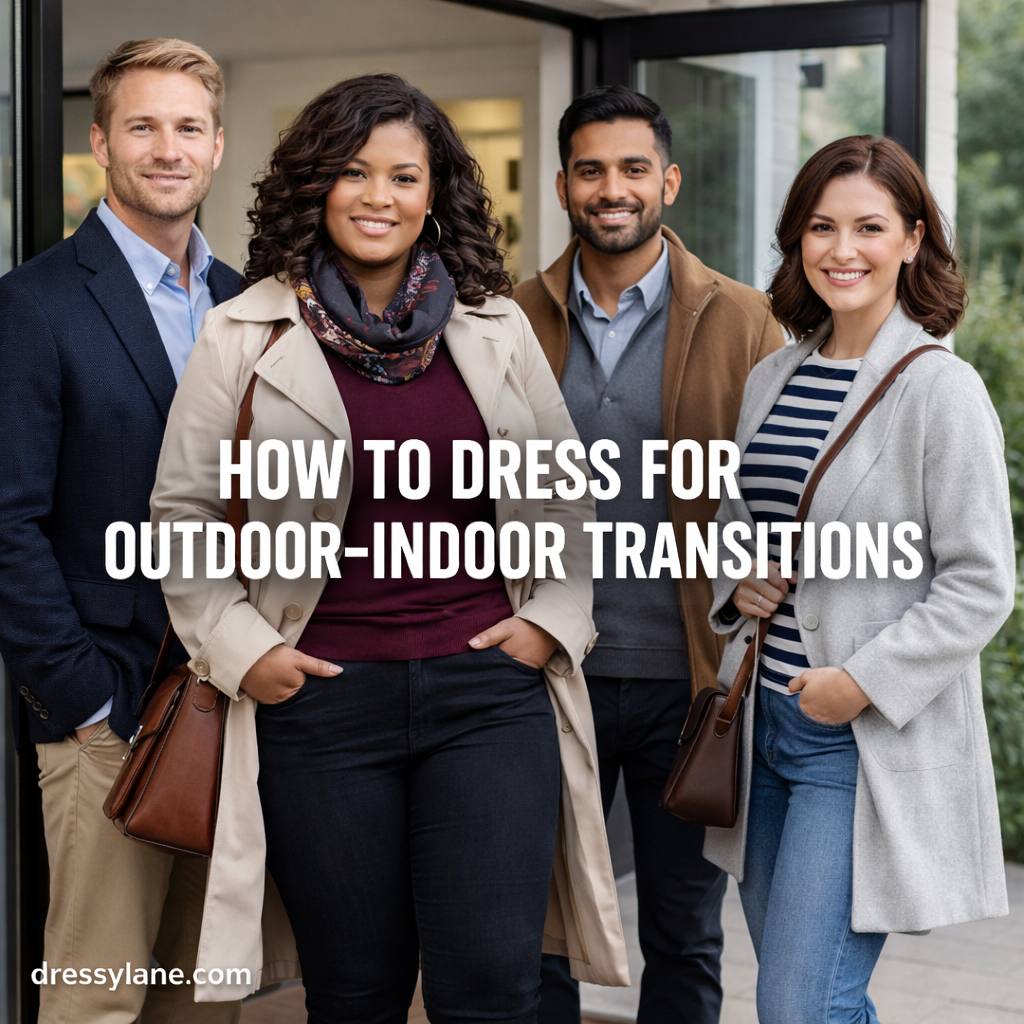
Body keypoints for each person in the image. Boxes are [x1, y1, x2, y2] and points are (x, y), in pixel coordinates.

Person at [149, 73, 630, 1022]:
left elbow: (565, 504)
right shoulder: (242, 333)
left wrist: (547, 626)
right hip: (321, 705)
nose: (380, 197)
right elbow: (185, 513)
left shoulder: (495, 329)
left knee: (494, 982)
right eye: (356, 173)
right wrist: (253, 656)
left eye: (404, 177)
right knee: (355, 990)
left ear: (433, 193)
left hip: (487, 698)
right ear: (316, 186)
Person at [704, 134, 1014, 1024]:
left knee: (801, 1005)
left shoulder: (939, 391)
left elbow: (980, 581)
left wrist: (860, 684)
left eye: (869, 227)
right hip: (759, 723)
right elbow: (738, 520)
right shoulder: (775, 374)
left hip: (856, 741)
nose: (843, 250)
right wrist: (743, 580)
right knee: (816, 1003)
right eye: (821, 226)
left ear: (912, 239)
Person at [514, 86, 784, 1024]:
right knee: (533, 928)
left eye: (633, 169)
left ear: (667, 180)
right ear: (563, 186)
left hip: (688, 682)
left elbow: (782, 486)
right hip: (548, 674)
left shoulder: (745, 320)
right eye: (591, 170)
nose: (612, 188)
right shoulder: (509, 319)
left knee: (683, 931)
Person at [0, 39, 242, 1024]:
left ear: (218, 146)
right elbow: (7, 520)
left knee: (207, 996)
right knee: (98, 1002)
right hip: (110, 715)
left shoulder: (248, 302)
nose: (167, 147)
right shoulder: (34, 305)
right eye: (143, 125)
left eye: (188, 127)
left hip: (232, 710)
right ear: (101, 141)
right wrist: (83, 700)